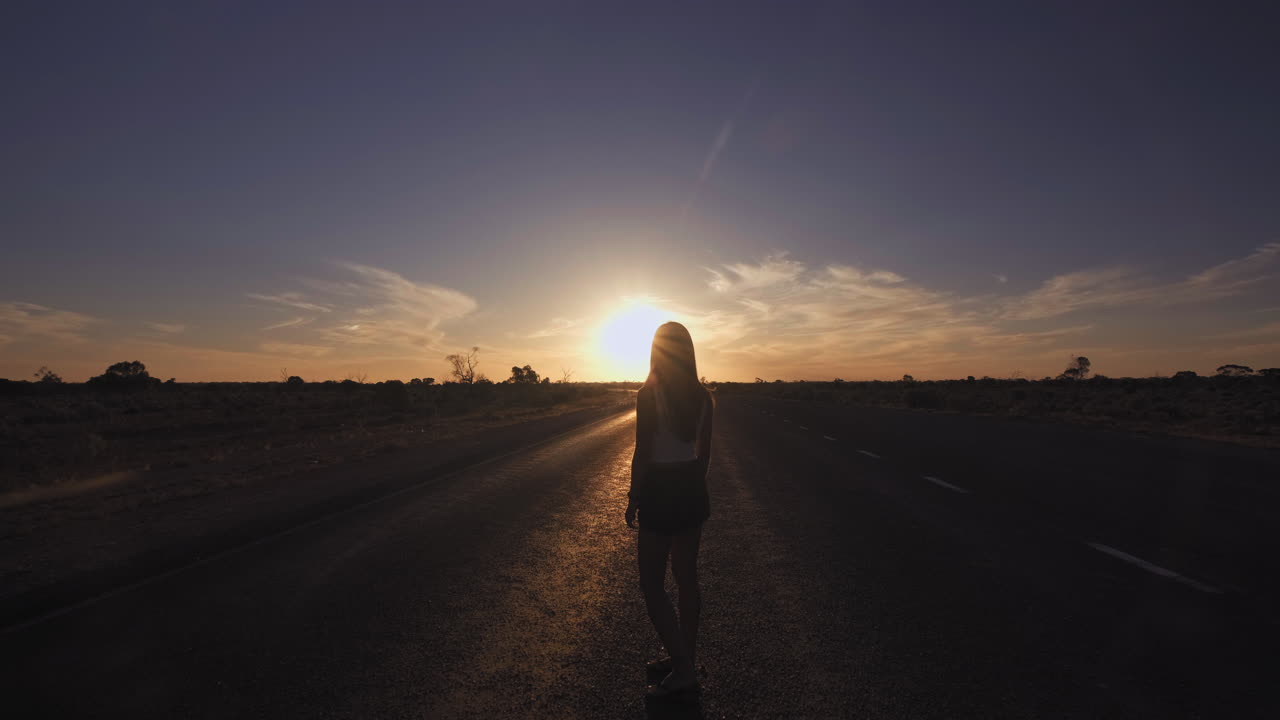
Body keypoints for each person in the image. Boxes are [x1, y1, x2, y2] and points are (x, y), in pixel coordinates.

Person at [625, 321, 714, 700]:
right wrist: (691, 486)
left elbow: (643, 452)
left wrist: (634, 496)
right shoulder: (703, 397)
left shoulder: (649, 395)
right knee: (686, 578)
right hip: (691, 486)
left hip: (660, 489)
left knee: (651, 583)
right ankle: (684, 659)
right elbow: (704, 455)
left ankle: (683, 668)